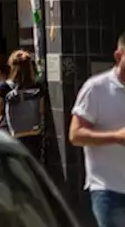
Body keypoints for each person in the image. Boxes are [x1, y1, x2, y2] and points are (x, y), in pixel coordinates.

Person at [71, 31, 125, 227]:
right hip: (108, 189)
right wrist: (116, 137)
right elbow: (75, 134)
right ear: (119, 56)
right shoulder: (96, 88)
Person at [0, 50, 47, 162]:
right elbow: (41, 110)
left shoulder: (5, 87)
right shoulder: (38, 86)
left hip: (14, 134)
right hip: (34, 134)